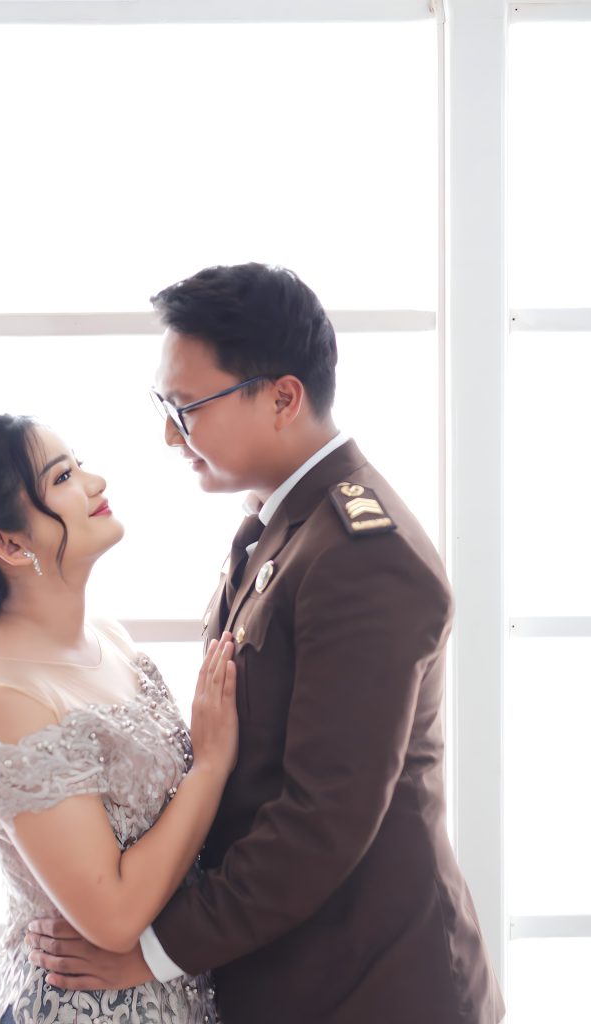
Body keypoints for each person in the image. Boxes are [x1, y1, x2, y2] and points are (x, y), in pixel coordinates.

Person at [26, 263, 506, 1023]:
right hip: (301, 969)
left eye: (187, 408)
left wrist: (151, 952)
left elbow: (322, 821)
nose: (169, 434)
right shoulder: (287, 522)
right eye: (164, 405)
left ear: (283, 397)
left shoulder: (362, 555)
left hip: (374, 985)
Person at [0, 413, 239, 1024]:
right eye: (62, 477)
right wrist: (211, 766)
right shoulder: (5, 702)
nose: (95, 483)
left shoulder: (110, 638)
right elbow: (113, 917)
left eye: (78, 465)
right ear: (9, 544)